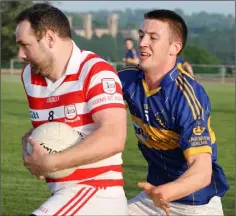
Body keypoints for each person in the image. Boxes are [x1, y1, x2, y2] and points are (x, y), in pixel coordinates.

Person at [16, 3, 128, 216]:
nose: (21, 54)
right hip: (61, 194)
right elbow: (54, 132)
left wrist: (51, 162)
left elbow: (114, 136)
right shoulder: (30, 77)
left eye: (25, 45)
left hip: (97, 193)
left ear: (49, 39)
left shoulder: (96, 72)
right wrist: (30, 145)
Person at [118, 9, 229, 216]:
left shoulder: (187, 96)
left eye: (153, 37)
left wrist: (168, 191)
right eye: (141, 35)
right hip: (152, 200)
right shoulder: (127, 80)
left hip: (197, 206)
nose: (142, 43)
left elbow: (202, 171)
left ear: (174, 47)